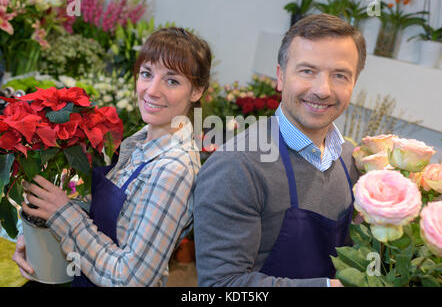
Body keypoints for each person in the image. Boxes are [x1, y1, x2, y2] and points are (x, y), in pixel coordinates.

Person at [12, 27, 212, 287]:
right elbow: (96, 216)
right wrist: (37, 235)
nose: (152, 90)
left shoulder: (173, 169)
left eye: (172, 81)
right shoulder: (139, 145)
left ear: (196, 91)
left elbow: (129, 278)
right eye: (146, 74)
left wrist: (61, 213)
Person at [193, 14, 365, 287]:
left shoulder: (351, 160)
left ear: (354, 83)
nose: (323, 90)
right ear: (281, 77)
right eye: (307, 71)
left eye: (340, 75)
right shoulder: (237, 166)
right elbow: (222, 285)